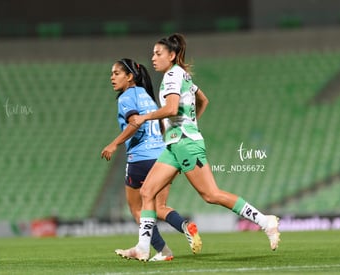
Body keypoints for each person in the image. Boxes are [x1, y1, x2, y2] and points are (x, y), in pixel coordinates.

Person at [115, 34, 281, 262]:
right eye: (153, 53)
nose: (153, 57)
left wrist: (146, 117)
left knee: (211, 194)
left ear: (171, 56)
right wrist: (192, 124)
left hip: (185, 144)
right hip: (174, 145)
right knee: (147, 192)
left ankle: (265, 221)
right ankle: (143, 247)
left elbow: (172, 109)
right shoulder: (179, 75)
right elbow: (203, 100)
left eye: (158, 53)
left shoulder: (173, 75)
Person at [100, 58, 202, 262]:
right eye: (111, 74)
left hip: (139, 158)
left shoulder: (125, 98)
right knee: (160, 207)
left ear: (129, 77)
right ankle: (184, 226)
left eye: (117, 73)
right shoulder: (147, 95)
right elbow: (163, 125)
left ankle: (163, 250)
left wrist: (114, 144)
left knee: (138, 209)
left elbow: (134, 123)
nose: (112, 77)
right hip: (162, 155)